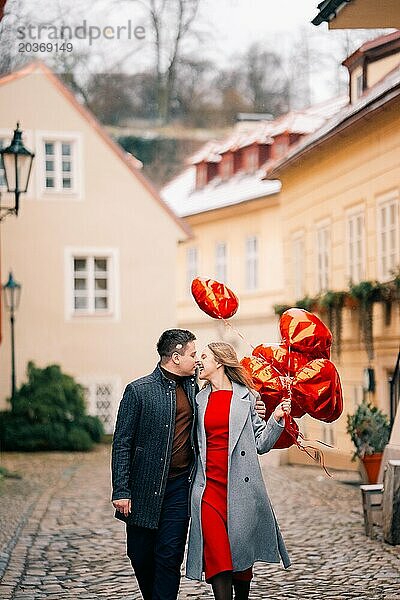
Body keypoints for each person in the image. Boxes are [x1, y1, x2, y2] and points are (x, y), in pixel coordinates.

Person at [111, 328, 268, 600]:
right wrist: (121, 490)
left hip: (180, 487)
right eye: (193, 354)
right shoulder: (138, 391)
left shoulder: (195, 390)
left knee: (170, 557)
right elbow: (122, 443)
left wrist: (256, 409)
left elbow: (229, 406)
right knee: (140, 555)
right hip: (143, 489)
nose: (197, 360)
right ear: (175, 357)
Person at [186, 342, 291, 600]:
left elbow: (261, 444)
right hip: (208, 490)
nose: (200, 362)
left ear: (220, 362)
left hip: (241, 490)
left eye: (205, 357)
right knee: (218, 559)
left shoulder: (248, 398)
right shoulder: (198, 399)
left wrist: (276, 418)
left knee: (241, 562)